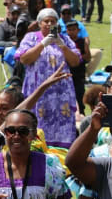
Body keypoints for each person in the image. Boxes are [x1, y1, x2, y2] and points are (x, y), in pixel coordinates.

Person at [14, 8, 81, 148]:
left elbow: (75, 61)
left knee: (61, 121)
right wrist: (43, 43)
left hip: (61, 93)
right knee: (37, 121)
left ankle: (62, 151)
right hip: (38, 90)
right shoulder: (31, 37)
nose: (50, 24)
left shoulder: (65, 39)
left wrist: (61, 44)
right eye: (46, 21)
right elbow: (24, 59)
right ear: (39, 23)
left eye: (53, 21)